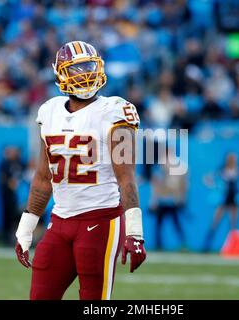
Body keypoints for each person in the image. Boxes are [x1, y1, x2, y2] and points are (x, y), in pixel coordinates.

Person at [14, 41, 146, 300]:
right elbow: (43, 177)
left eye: (88, 67)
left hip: (101, 220)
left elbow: (126, 177)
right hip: (60, 222)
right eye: (76, 69)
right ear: (61, 73)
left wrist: (135, 232)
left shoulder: (114, 111)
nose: (84, 74)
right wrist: (26, 228)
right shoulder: (49, 111)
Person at [203, 152, 239, 252]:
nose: (232, 160)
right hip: (223, 199)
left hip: (234, 200)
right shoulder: (221, 169)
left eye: (234, 158)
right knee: (214, 223)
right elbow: (209, 178)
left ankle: (233, 248)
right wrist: (214, 186)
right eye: (230, 158)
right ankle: (206, 247)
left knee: (233, 226)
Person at [150, 150, 187, 250]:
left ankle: (182, 244)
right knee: (160, 225)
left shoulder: (176, 166)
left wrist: (181, 198)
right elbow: (156, 185)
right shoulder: (160, 167)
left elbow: (180, 184)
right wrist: (154, 201)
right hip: (164, 200)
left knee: (175, 224)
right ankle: (158, 244)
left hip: (171, 200)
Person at [0, 146, 25, 245]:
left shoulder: (21, 163)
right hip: (8, 195)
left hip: (21, 196)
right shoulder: (4, 164)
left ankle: (19, 237)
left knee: (20, 216)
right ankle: (6, 237)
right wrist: (10, 184)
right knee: (8, 215)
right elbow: (3, 179)